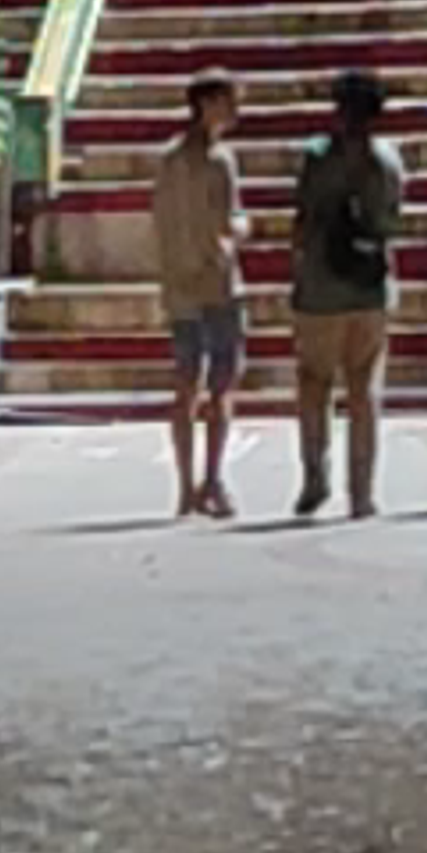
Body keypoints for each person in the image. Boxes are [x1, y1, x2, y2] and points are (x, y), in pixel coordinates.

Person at [288, 67, 404, 519]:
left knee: (314, 384)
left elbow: (302, 220)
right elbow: (392, 221)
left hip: (320, 287)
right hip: (369, 286)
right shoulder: (388, 162)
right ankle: (362, 491)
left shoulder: (317, 159)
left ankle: (315, 474)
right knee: (365, 389)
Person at [149, 68, 247, 520]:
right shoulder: (219, 162)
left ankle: (188, 485)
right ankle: (212, 478)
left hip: (180, 285)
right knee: (220, 384)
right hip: (216, 283)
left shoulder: (168, 161)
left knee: (187, 383)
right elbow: (229, 224)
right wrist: (239, 234)